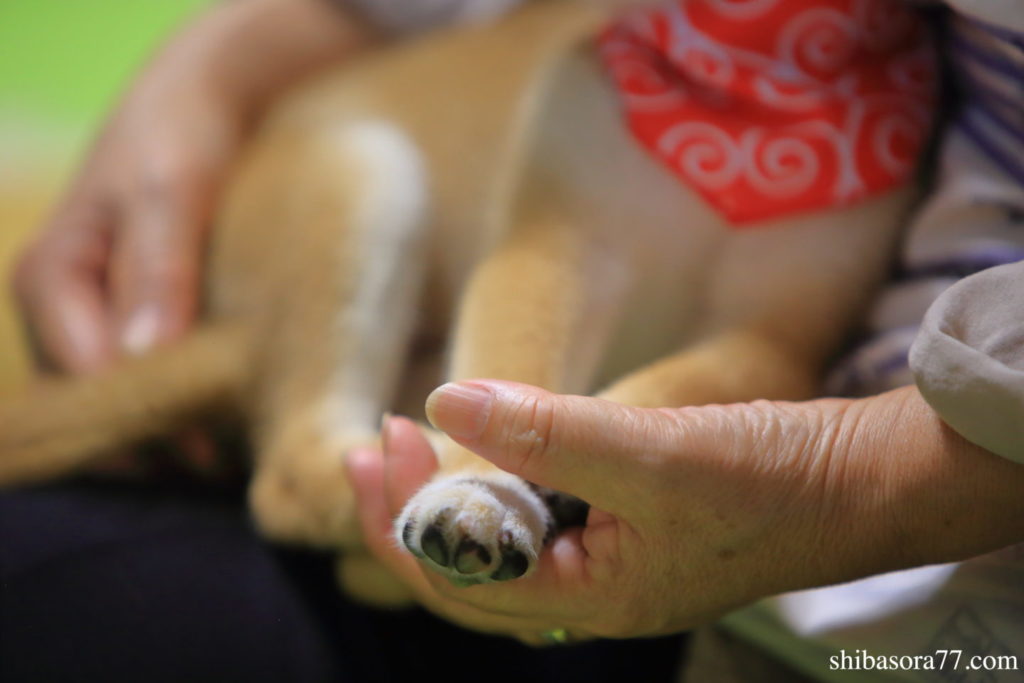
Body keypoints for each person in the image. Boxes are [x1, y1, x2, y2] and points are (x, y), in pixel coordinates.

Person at [9, 0, 1024, 680]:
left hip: (853, 602)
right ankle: (316, 463)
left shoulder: (892, 105)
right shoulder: (620, 54)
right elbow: (542, 269)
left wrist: (611, 455)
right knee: (366, 179)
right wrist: (206, 65)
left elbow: (764, 351)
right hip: (370, 335)